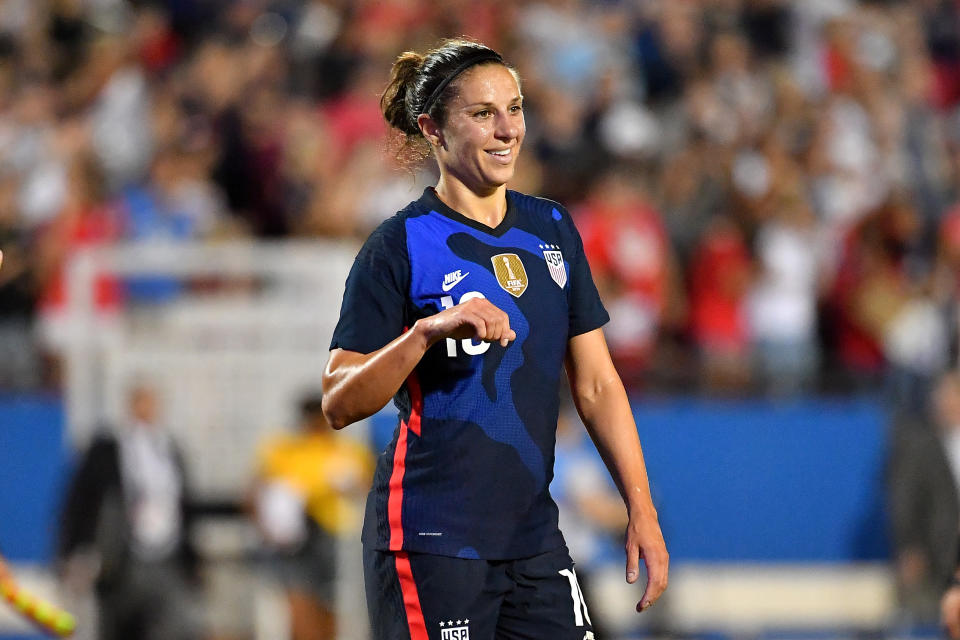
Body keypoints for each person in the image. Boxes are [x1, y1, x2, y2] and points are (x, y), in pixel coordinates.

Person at [321, 38, 668, 640]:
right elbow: (339, 400)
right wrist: (426, 333)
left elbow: (596, 384)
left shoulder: (553, 226)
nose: (508, 129)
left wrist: (641, 504)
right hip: (431, 541)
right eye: (483, 113)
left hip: (532, 540)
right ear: (432, 128)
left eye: (516, 107)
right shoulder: (399, 246)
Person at [57, 381, 203, 640]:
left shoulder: (168, 449)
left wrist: (192, 558)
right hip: (121, 560)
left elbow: (183, 506)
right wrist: (75, 549)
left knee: (172, 625)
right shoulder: (108, 449)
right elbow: (81, 501)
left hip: (166, 557)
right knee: (117, 626)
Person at [252, 391, 374, 640]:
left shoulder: (348, 449)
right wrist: (267, 525)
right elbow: (257, 490)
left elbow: (369, 487)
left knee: (335, 605)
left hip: (338, 536)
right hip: (295, 537)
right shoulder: (284, 448)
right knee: (299, 599)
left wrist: (349, 485)